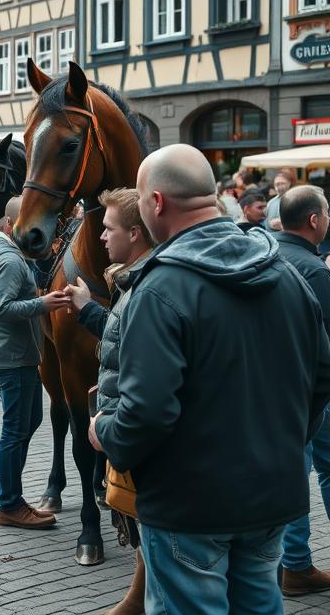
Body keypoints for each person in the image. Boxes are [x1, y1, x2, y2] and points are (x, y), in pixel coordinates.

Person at [91, 144, 330, 615]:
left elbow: (146, 412)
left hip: (190, 506)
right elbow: (321, 378)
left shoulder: (160, 289)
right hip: (270, 494)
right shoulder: (285, 272)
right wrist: (280, 442)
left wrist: (105, 431)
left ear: (155, 202)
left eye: (139, 199)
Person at [65, 188, 153, 615]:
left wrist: (108, 427)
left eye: (108, 228)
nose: (100, 236)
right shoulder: (130, 278)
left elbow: (144, 367)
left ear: (135, 233)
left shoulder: (147, 287)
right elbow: (122, 340)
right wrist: (85, 308)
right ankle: (138, 594)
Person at [0, 199, 70, 530]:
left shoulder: (5, 256)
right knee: (16, 429)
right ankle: (9, 503)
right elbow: (1, 310)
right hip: (12, 357)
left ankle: (11, 497)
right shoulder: (9, 261)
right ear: (9, 225)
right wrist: (42, 303)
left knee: (27, 422)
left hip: (16, 355)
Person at [274, 186, 330, 595]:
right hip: (311, 392)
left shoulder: (266, 254)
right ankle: (296, 565)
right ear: (314, 220)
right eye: (326, 213)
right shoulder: (315, 271)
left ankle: (292, 562)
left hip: (274, 389)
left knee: (294, 474)